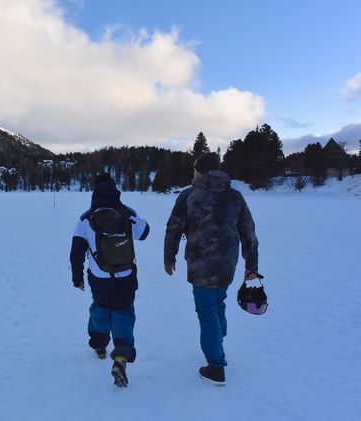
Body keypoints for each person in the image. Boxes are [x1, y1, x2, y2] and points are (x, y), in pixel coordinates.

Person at [163, 152, 259, 386]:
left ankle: (216, 366)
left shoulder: (189, 195)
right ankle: (217, 338)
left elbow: (173, 228)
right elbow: (248, 232)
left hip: (201, 265)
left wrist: (169, 257)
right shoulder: (235, 196)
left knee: (207, 312)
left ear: (200, 171)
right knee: (218, 302)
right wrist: (251, 265)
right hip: (227, 263)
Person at [70, 173, 150, 387]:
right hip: (125, 276)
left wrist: (77, 277)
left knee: (101, 307)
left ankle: (99, 344)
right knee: (123, 312)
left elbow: (77, 251)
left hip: (99, 278)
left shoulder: (86, 219)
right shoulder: (128, 213)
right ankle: (121, 358)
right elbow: (145, 233)